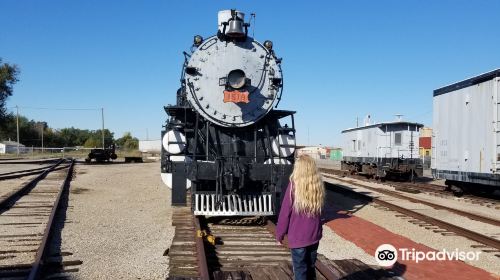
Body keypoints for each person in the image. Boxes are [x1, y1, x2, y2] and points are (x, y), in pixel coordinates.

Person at [276, 155, 325, 280]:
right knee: (311, 266)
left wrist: (280, 234)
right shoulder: (317, 186)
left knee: (300, 269)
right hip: (314, 236)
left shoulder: (294, 187)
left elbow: (285, 213)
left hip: (298, 237)